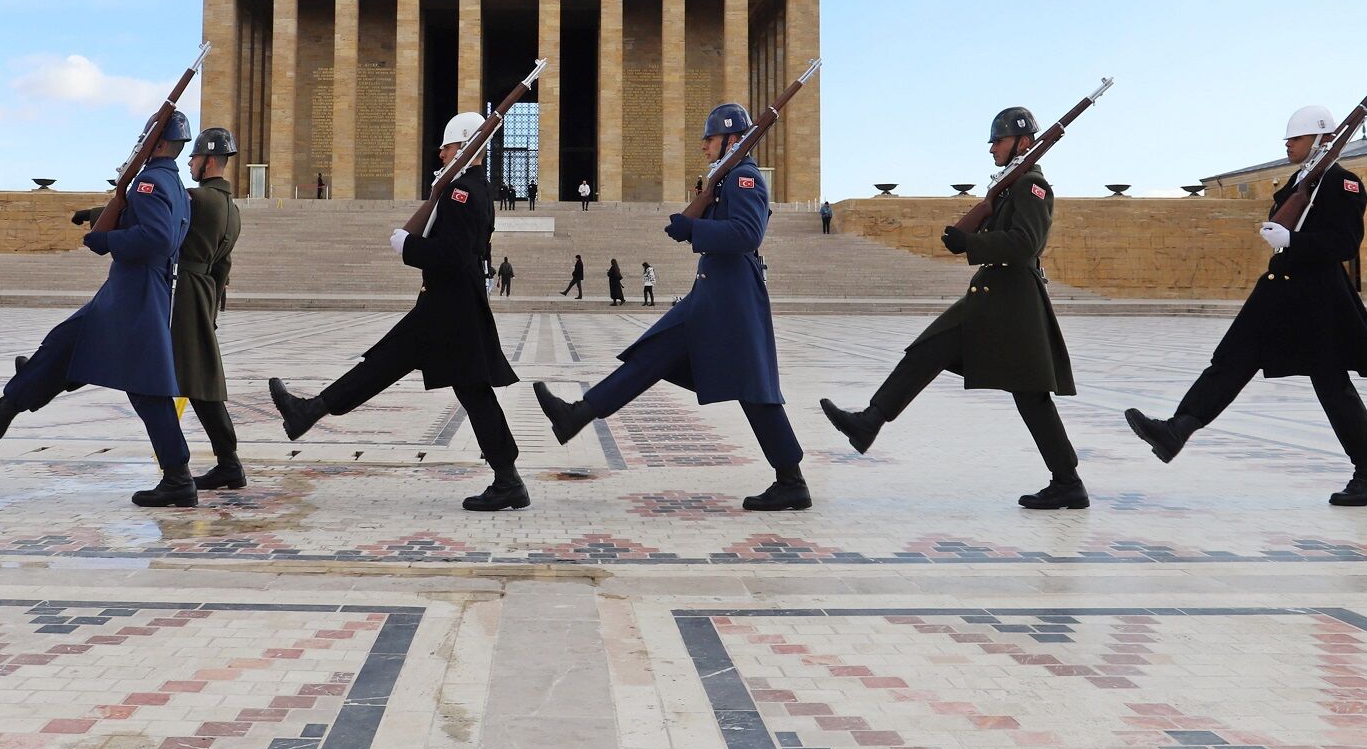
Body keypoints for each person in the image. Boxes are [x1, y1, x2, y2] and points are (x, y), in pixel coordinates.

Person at [535, 102, 810, 511]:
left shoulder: (745, 177)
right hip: (714, 294)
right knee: (652, 354)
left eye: (710, 138)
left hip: (732, 298)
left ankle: (791, 481)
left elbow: (747, 234)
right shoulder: (726, 178)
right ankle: (577, 414)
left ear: (734, 139)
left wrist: (694, 227)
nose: (704, 145)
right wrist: (696, 219)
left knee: (754, 388)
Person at [1124, 104, 1367, 504]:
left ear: (1322, 140)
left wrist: (1293, 241)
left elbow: (1345, 243)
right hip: (1278, 290)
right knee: (1229, 360)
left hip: (1317, 299)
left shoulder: (1342, 182)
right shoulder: (1300, 181)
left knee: (1332, 384)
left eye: (1296, 138)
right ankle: (1177, 429)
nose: (1288, 144)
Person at [819, 106, 1086, 509]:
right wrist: (969, 235)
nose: (992, 148)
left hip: (1014, 303)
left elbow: (1025, 243)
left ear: (1023, 143)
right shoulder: (1011, 186)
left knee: (1030, 394)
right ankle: (869, 421)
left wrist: (971, 243)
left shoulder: (1033, 186)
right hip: (991, 298)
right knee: (927, 350)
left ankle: (1068, 482)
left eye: (999, 141)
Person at [269, 112, 527, 511]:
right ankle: (309, 411)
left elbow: (452, 255)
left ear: (463, 146)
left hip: (449, 308)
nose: (440, 153)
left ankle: (310, 411)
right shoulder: (473, 188)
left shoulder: (461, 192)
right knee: (412, 371)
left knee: (416, 374)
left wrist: (408, 246)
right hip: (450, 304)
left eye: (446, 146)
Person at [0, 113, 196, 506]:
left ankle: (178, 478)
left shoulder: (149, 181)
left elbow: (158, 237)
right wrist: (102, 218)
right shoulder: (171, 182)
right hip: (131, 288)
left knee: (146, 387)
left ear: (158, 142)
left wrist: (107, 240)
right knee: (64, 343)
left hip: (136, 291)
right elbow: (148, 222)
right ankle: (1, 412)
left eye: (145, 137)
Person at [72, 126, 248, 490]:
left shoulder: (196, 198)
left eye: (194, 158)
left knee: (147, 366)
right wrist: (212, 309)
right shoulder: (232, 210)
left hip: (180, 293)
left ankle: (60, 373)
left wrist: (93, 214)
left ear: (208, 161)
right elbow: (223, 266)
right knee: (201, 382)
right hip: (202, 294)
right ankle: (229, 463)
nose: (190, 163)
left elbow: (156, 215)